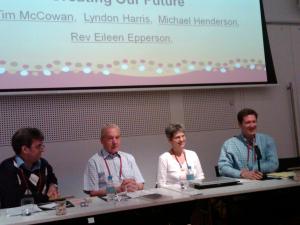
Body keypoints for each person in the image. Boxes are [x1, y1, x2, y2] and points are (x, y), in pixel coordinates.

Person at [0, 128, 59, 208]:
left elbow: (52, 178)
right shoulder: (7, 168)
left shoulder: (43, 164)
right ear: (25, 149)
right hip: (17, 217)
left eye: (42, 145)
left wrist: (53, 186)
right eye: (38, 146)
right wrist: (44, 198)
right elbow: (13, 201)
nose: (42, 150)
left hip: (44, 214)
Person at [83, 123, 144, 197]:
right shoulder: (94, 162)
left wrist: (136, 187)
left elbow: (141, 184)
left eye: (117, 137)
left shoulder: (129, 158)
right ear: (102, 141)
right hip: (108, 205)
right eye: (110, 138)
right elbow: (93, 192)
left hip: (131, 202)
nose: (115, 142)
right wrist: (117, 189)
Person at [218, 108, 279, 179]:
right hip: (242, 186)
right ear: (240, 125)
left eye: (254, 121)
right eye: (248, 122)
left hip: (265, 182)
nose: (252, 125)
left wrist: (253, 170)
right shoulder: (229, 144)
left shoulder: (267, 140)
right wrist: (242, 174)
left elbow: (274, 164)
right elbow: (223, 168)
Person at [157, 123, 204, 188]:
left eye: (183, 136)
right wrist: (179, 188)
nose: (181, 139)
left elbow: (200, 176)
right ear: (170, 140)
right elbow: (161, 185)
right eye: (177, 137)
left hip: (194, 194)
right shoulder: (164, 158)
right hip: (174, 196)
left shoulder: (193, 154)